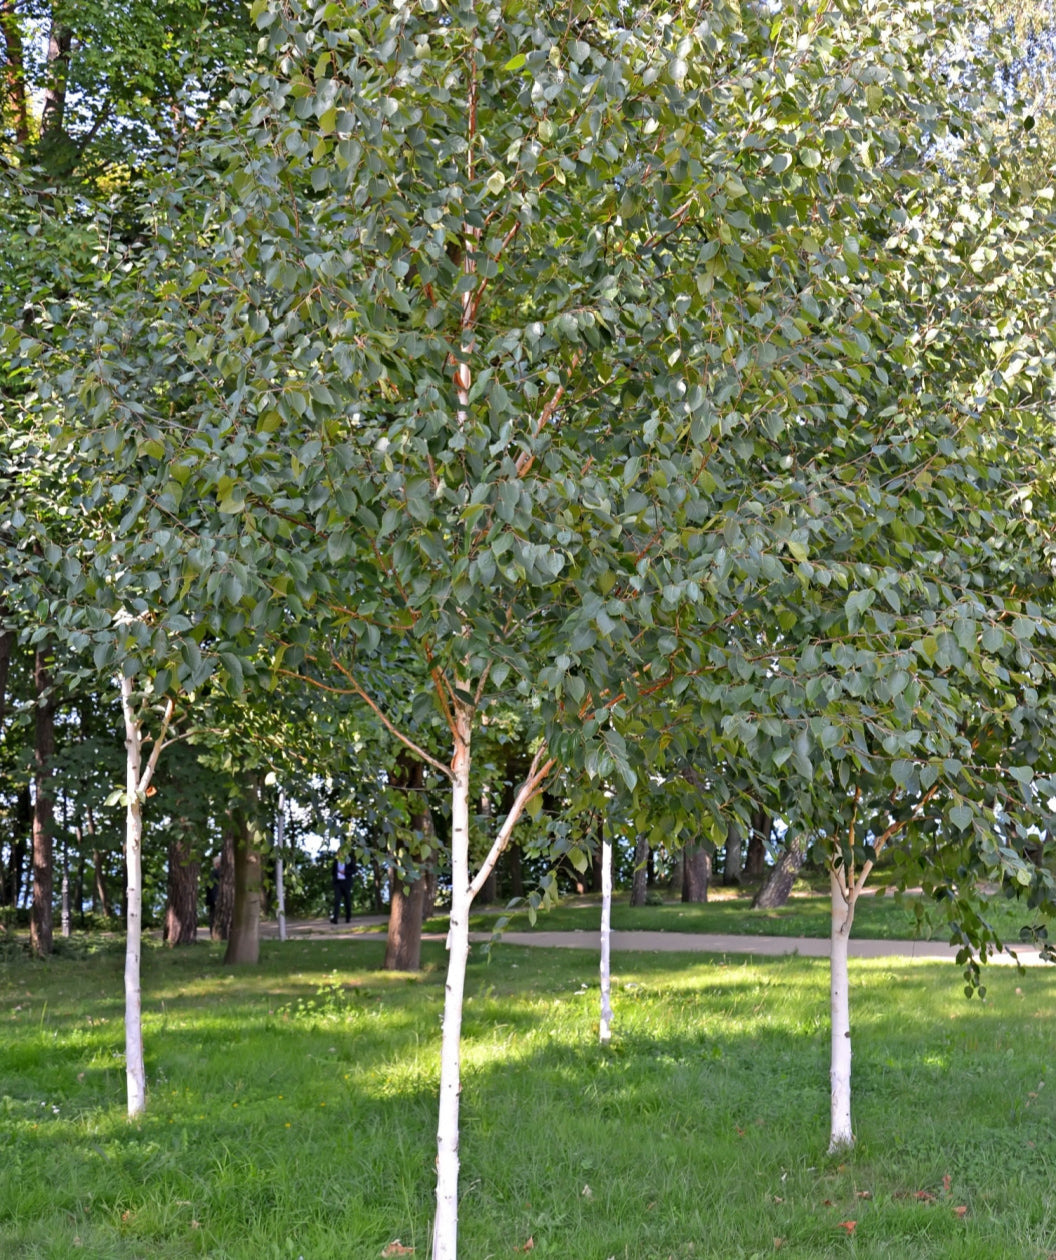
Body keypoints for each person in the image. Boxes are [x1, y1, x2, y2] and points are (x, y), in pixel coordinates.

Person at [331, 854, 353, 924]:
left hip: (346, 883)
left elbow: (354, 870)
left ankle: (348, 917)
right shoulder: (336, 861)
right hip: (338, 883)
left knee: (347, 900)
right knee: (337, 900)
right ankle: (335, 918)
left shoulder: (349, 860)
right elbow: (333, 871)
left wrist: (345, 872)